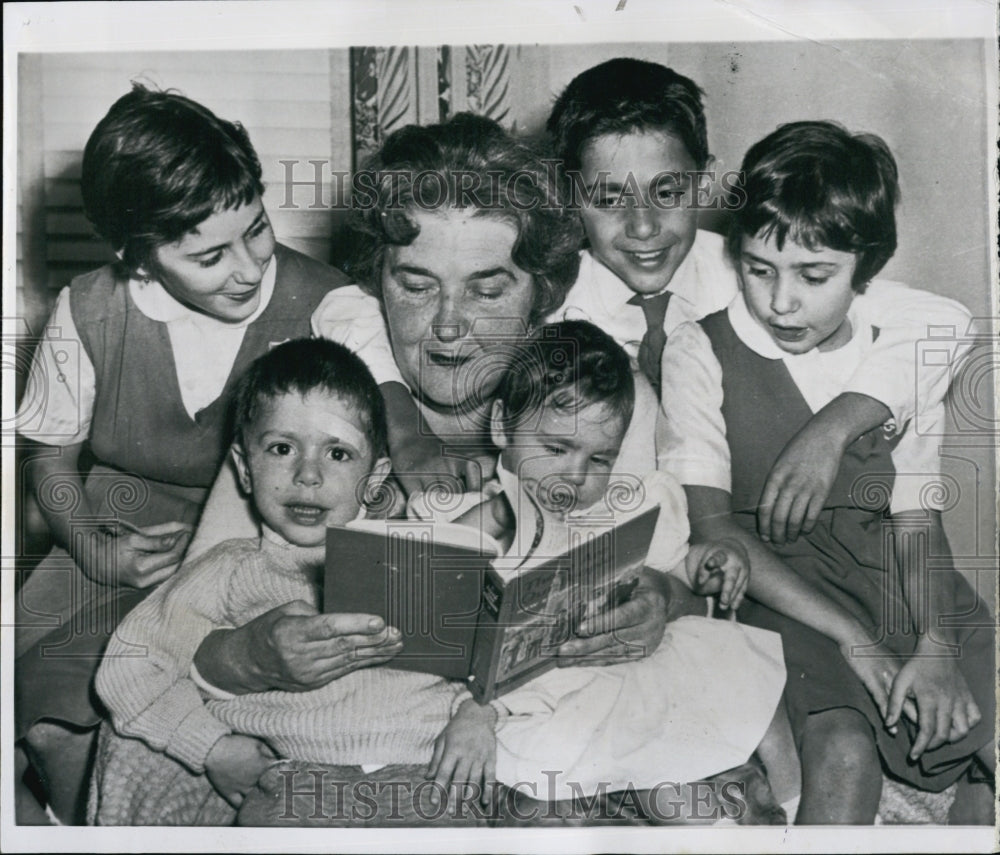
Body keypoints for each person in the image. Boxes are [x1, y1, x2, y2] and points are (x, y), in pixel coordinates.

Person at [14, 84, 351, 824]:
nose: (248, 267)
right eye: (207, 254)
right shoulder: (88, 310)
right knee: (39, 703)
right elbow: (49, 461)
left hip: (259, 542)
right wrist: (91, 545)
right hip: (112, 532)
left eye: (256, 229)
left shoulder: (325, 302)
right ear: (137, 255)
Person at [658, 120, 995, 824]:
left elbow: (915, 517)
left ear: (865, 269)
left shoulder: (896, 355)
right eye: (758, 267)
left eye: (814, 276)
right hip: (785, 595)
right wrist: (855, 637)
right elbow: (713, 525)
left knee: (979, 720)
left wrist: (935, 643)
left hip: (903, 580)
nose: (781, 301)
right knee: (842, 747)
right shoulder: (700, 349)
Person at [544, 57, 974, 550]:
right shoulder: (550, 306)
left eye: (667, 191)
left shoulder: (758, 275)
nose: (643, 226)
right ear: (567, 196)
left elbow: (943, 323)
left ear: (704, 183)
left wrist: (830, 430)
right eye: (609, 198)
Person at [92, 338, 487, 824]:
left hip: (426, 775)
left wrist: (478, 715)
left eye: (338, 454)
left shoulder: (420, 557)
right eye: (281, 448)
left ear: (377, 474)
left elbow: (489, 663)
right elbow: (128, 665)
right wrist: (211, 747)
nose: (307, 475)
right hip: (294, 785)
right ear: (243, 466)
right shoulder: (230, 568)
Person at [418, 320, 798, 821]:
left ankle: (791, 809)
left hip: (635, 680)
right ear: (500, 427)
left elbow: (673, 570)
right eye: (555, 449)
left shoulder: (624, 508)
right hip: (543, 702)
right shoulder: (482, 520)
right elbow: (439, 619)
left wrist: (707, 565)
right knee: (539, 795)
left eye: (601, 459)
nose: (576, 476)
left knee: (725, 712)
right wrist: (491, 522)